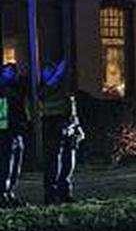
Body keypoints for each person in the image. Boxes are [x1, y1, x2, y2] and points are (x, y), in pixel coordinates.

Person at [38, 59, 83, 204]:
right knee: (54, 162)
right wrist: (57, 74)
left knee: (68, 161)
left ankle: (65, 193)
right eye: (47, 72)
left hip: (67, 124)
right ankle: (51, 195)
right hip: (52, 124)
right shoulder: (42, 88)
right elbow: (43, 95)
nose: (50, 74)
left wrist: (76, 125)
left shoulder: (63, 87)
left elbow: (71, 106)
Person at [0, 61, 27, 206]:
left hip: (16, 130)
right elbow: (2, 113)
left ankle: (9, 192)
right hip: (7, 132)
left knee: (15, 163)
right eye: (6, 71)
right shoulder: (3, 90)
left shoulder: (16, 87)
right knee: (6, 164)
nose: (9, 74)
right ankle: (4, 193)